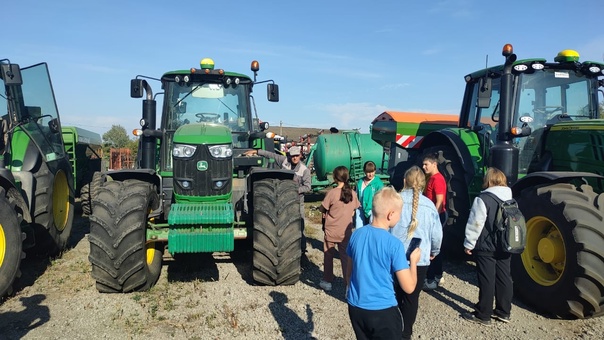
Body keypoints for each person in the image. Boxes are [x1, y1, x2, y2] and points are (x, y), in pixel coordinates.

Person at [346, 186, 420, 339]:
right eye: (399, 214)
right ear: (390, 214)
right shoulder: (394, 244)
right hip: (383, 310)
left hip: (356, 307)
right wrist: (413, 262)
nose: (399, 218)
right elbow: (409, 287)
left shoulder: (356, 235)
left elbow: (348, 273)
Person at [390, 166, 442, 340]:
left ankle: (392, 330)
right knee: (412, 299)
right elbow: (437, 235)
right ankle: (405, 334)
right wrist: (433, 251)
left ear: (404, 181)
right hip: (419, 260)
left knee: (394, 295)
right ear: (422, 184)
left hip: (395, 259)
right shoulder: (430, 206)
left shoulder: (394, 202)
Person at [462, 167, 513, 326]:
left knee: (487, 279)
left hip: (486, 246)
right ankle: (503, 312)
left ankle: (483, 314)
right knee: (504, 277)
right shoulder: (511, 198)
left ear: (488, 180)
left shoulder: (483, 199)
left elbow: (476, 223)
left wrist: (468, 244)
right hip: (506, 245)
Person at [244, 145, 312, 248]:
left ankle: (302, 251)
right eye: (292, 156)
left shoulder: (304, 170)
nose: (294, 158)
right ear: (289, 156)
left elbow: (307, 187)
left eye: (297, 156)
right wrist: (256, 151)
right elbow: (270, 155)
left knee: (299, 226)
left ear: (300, 156)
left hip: (296, 201)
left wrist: (293, 190)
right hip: (282, 200)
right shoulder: (284, 161)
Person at [318, 166, 360, 292]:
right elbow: (356, 208)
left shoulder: (331, 193)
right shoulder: (352, 193)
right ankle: (348, 284)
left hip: (331, 229)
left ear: (335, 178)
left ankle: (327, 280)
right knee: (346, 257)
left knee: (328, 254)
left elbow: (322, 208)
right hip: (346, 230)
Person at [422, 152, 447, 290]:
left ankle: (433, 277)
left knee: (433, 247)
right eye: (423, 164)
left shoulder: (437, 179)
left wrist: (434, 220)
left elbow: (439, 201)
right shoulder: (431, 178)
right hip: (433, 216)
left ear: (434, 164)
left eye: (426, 164)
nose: (424, 167)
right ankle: (436, 275)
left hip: (436, 216)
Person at [355, 161, 384, 229]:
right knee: (359, 229)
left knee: (372, 229)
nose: (370, 174)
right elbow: (356, 194)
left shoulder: (378, 183)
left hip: (372, 210)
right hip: (360, 209)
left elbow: (381, 198)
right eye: (368, 172)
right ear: (364, 172)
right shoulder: (360, 182)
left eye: (372, 172)